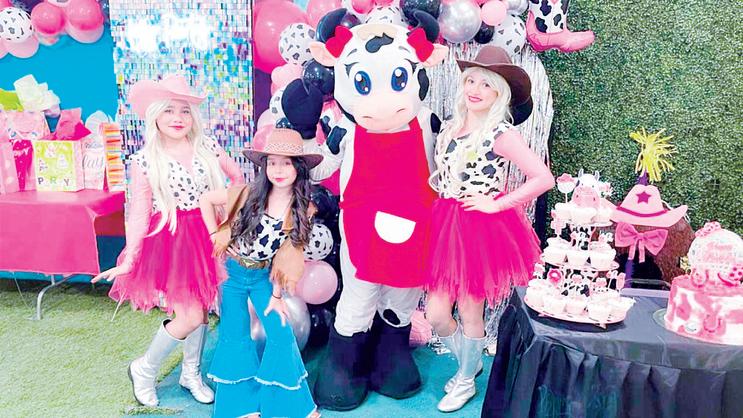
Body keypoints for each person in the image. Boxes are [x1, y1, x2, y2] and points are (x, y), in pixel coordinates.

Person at [92, 75, 244, 407]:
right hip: (173, 239)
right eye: (169, 110)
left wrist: (228, 218)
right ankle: (144, 369)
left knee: (202, 309)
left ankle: (191, 373)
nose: (178, 118)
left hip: (207, 233)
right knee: (190, 316)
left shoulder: (207, 146)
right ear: (155, 115)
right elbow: (139, 211)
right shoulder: (145, 159)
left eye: (185, 110)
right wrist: (130, 258)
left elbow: (238, 179)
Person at [424, 46, 555, 412]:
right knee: (436, 313)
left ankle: (466, 380)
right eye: (471, 81)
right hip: (446, 221)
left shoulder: (501, 133)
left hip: (478, 228)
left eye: (486, 84)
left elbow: (543, 177)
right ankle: (470, 363)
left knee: (470, 309)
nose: (475, 90)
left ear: (499, 93)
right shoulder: (451, 127)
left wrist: (497, 203)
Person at [200, 128, 323, 418]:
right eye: (272, 163)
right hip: (232, 274)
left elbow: (288, 256)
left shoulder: (303, 209)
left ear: (298, 168)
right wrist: (215, 235)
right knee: (235, 335)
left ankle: (293, 408)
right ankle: (239, 408)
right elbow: (206, 199)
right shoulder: (247, 193)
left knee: (281, 334)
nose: (278, 170)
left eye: (286, 163)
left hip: (261, 278)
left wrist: (277, 296)